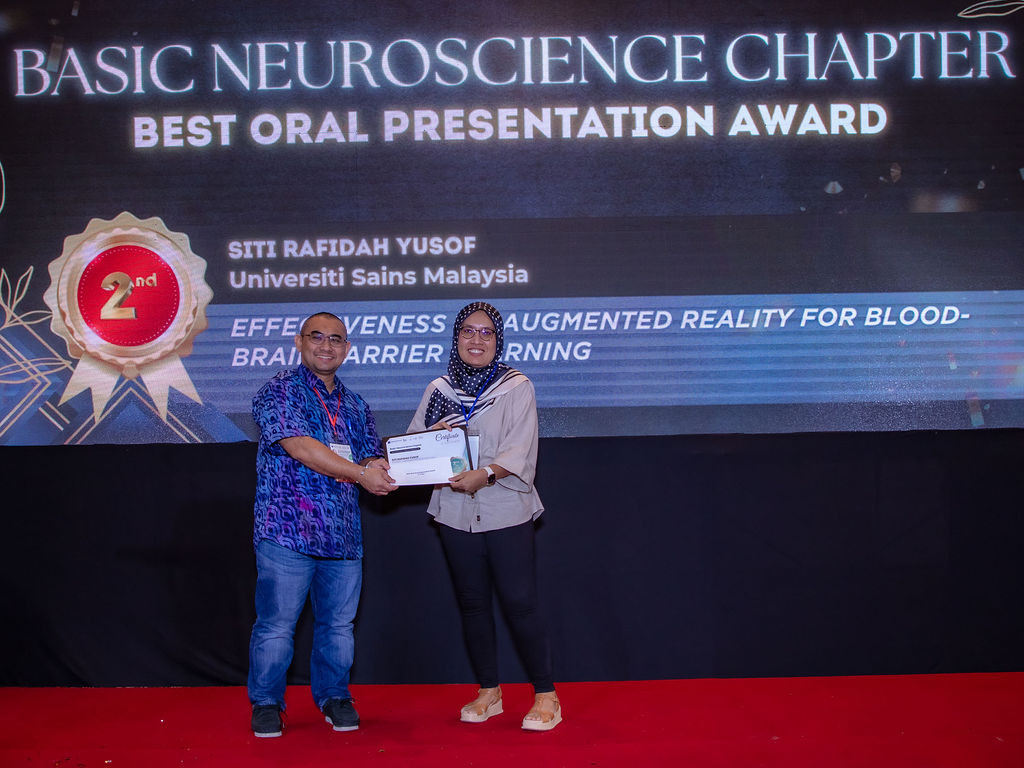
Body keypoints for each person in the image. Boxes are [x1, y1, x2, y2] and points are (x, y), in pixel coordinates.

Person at [408, 301, 561, 731]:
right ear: (456, 338)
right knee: (472, 603)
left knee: (520, 602)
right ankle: (489, 692)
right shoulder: (439, 389)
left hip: (505, 507)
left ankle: (546, 696)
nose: (477, 339)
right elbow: (414, 441)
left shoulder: (516, 386)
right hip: (454, 512)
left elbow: (520, 448)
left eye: (486, 332)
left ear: (498, 340)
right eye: (468, 331)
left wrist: (487, 473)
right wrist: (430, 439)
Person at [248, 311, 396, 738]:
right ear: (299, 342)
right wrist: (361, 473)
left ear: (347, 349)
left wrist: (394, 461)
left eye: (335, 339)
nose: (326, 346)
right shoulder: (279, 390)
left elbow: (368, 455)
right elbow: (301, 447)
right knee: (276, 626)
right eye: (317, 337)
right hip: (286, 531)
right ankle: (266, 703)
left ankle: (334, 696)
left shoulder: (355, 404)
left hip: (343, 535)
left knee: (338, 627)